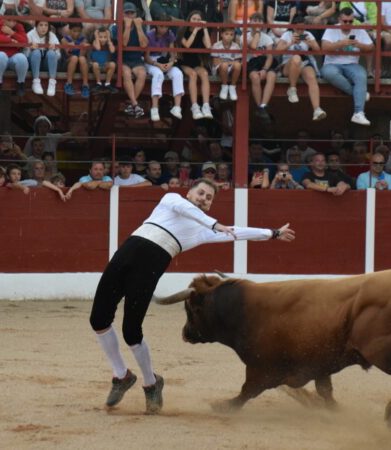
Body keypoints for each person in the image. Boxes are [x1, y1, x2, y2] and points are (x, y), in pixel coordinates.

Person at [89, 179, 295, 414]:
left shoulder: (202, 230)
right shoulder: (172, 200)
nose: (204, 198)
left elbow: (236, 232)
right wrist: (215, 224)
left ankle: (150, 382)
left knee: (131, 331)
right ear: (189, 193)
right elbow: (188, 211)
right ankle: (121, 375)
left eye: (209, 198)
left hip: (150, 267)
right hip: (125, 255)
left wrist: (273, 233)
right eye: (201, 193)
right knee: (98, 320)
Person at [321, 7, 373, 126]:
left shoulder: (359, 30)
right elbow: (324, 47)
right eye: (345, 21)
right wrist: (341, 43)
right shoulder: (331, 29)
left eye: (350, 21)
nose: (348, 24)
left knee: (361, 75)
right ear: (339, 19)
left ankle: (359, 113)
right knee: (329, 73)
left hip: (352, 64)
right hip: (332, 64)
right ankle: (360, 94)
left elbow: (371, 47)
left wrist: (358, 44)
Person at [276, 15, 326, 121]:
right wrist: (290, 43)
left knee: (312, 77)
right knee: (296, 58)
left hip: (304, 62)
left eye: (302, 28)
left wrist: (309, 43)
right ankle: (292, 89)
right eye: (298, 28)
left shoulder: (308, 34)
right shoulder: (287, 34)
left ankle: (317, 109)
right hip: (288, 64)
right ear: (293, 27)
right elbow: (278, 50)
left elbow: (318, 50)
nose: (300, 31)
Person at [111, 2, 148, 118]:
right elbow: (124, 44)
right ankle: (135, 104)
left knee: (142, 74)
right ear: (122, 15)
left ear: (136, 14)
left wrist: (138, 28)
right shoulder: (115, 27)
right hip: (123, 58)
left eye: (132, 13)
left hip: (136, 59)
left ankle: (132, 104)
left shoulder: (142, 26)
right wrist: (127, 27)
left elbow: (144, 45)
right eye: (127, 13)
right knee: (126, 73)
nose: (130, 15)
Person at [144, 15, 184, 121]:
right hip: (152, 61)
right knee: (158, 74)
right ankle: (154, 108)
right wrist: (158, 65)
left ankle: (177, 107)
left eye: (167, 27)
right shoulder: (149, 35)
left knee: (178, 73)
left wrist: (171, 63)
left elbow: (172, 53)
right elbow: (146, 57)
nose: (164, 29)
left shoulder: (169, 34)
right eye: (162, 26)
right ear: (157, 25)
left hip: (164, 60)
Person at [245, 13, 277, 122]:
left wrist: (265, 69)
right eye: (255, 20)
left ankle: (263, 106)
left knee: (272, 75)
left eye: (260, 21)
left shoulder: (268, 38)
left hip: (264, 63)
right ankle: (260, 107)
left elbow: (269, 57)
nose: (257, 23)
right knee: (255, 77)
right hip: (251, 63)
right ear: (250, 23)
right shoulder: (244, 36)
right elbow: (253, 47)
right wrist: (257, 34)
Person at [0, 11, 28, 97]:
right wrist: (10, 40)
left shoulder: (19, 26)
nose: (12, 23)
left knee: (22, 58)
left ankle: (21, 83)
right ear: (4, 19)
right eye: (9, 20)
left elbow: (25, 41)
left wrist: (12, 33)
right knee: (1, 56)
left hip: (12, 58)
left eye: (14, 21)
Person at [27, 19, 60, 96]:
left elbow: (58, 56)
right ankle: (36, 81)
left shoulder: (52, 35)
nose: (43, 28)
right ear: (36, 26)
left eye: (46, 25)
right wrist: (30, 48)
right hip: (33, 64)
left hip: (46, 64)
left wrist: (54, 49)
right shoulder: (30, 34)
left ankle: (52, 82)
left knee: (52, 53)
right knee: (36, 52)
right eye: (41, 25)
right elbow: (25, 54)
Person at [211, 27, 242, 101]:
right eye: (226, 34)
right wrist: (230, 62)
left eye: (231, 35)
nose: (229, 36)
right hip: (219, 68)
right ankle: (224, 86)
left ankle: (232, 86)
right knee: (224, 66)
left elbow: (237, 62)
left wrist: (227, 62)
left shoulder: (236, 46)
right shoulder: (216, 45)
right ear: (221, 34)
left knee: (238, 65)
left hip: (231, 67)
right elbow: (215, 62)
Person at [91, 27, 117, 93]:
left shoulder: (108, 43)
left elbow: (112, 50)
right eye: (100, 37)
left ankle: (107, 84)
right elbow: (98, 48)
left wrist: (108, 39)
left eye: (105, 37)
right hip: (96, 66)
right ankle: (98, 83)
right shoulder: (95, 42)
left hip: (105, 66)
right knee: (95, 64)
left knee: (112, 64)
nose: (103, 39)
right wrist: (96, 37)